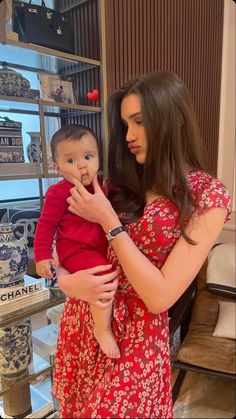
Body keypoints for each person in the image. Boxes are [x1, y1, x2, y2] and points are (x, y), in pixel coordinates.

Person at [51, 71, 231, 418]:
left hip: (136, 338)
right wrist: (65, 280)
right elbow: (65, 242)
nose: (129, 136)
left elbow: (160, 296)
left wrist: (109, 221)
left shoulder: (207, 194)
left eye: (140, 122)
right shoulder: (117, 183)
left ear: (172, 119)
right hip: (85, 318)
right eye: (124, 125)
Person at [34, 124, 120, 359]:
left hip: (97, 248)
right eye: (71, 161)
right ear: (57, 166)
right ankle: (101, 329)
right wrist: (42, 255)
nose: (82, 165)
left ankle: (102, 322)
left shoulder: (101, 187)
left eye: (88, 157)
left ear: (98, 160)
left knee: (108, 275)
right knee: (103, 281)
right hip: (76, 250)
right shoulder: (59, 192)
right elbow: (46, 225)